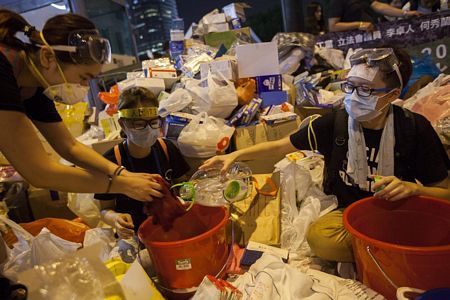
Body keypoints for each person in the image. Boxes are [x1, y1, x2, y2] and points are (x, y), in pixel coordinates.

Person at [201, 48, 450, 263]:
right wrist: (234, 156)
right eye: (350, 86)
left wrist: (413, 189)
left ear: (393, 95)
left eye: (365, 90)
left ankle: (385, 253)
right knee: (320, 239)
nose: (353, 96)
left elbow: (445, 193)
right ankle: (390, 254)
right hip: (349, 216)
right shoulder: (336, 123)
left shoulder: (413, 128)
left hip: (398, 214)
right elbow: (281, 146)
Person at [0, 10, 162, 202]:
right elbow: (40, 173)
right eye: (83, 78)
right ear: (48, 57)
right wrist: (121, 185)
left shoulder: (33, 83)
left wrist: (122, 173)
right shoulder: (3, 71)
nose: (84, 87)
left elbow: (69, 146)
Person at [94, 87, 190, 238]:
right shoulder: (111, 161)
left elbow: (184, 186)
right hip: (134, 233)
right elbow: (104, 210)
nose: (148, 130)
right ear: (122, 125)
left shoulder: (167, 148)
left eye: (153, 123)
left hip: (171, 226)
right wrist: (116, 220)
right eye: (139, 124)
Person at [328, 0, 420, 32]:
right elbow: (333, 26)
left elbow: (378, 6)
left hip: (369, 37)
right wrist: (359, 24)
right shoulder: (336, 1)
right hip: (351, 43)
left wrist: (405, 13)